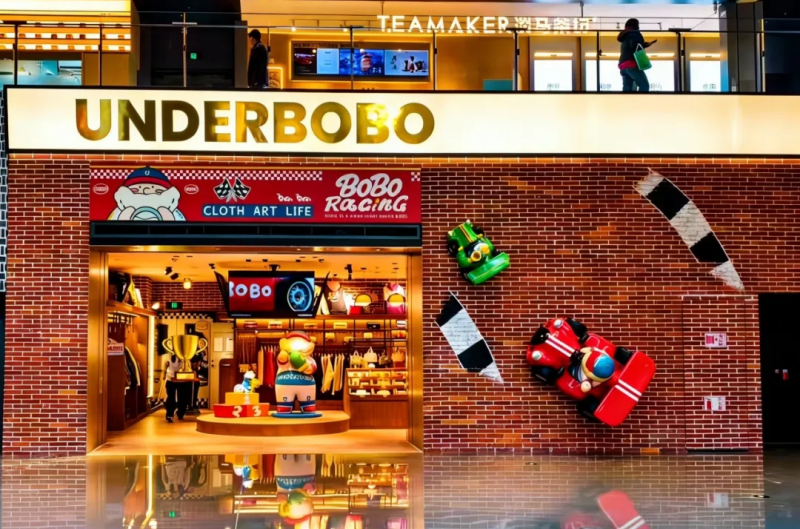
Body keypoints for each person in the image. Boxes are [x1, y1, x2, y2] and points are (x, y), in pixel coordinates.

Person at [617, 19, 656, 92]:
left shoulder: (624, 34)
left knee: (627, 88)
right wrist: (643, 45)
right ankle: (641, 100)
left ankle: (626, 100)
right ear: (636, 26)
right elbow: (635, 46)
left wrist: (644, 45)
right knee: (644, 85)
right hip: (632, 64)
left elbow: (631, 46)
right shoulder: (635, 33)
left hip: (623, 66)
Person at [164, 354, 189, 423]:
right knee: (179, 397)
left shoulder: (170, 354)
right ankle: (177, 414)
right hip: (175, 378)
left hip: (173, 378)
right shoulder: (182, 354)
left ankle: (172, 414)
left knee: (174, 397)